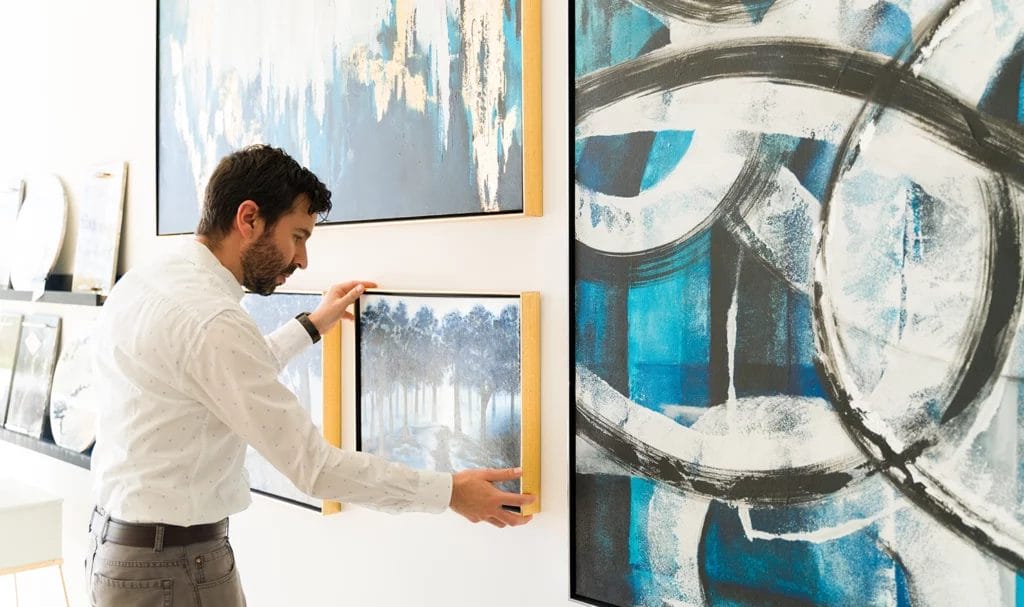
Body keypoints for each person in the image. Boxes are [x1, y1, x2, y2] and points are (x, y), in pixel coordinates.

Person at [86, 144, 535, 605]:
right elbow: (315, 469)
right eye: (297, 236)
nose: (302, 260)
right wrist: (448, 492)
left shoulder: (148, 281)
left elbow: (220, 377)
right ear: (249, 219)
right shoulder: (212, 321)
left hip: (121, 550)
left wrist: (310, 326)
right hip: (174, 569)